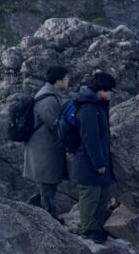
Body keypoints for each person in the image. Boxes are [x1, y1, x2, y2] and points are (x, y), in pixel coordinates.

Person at [72, 71, 116, 243]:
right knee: (90, 196)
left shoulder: (97, 106)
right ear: (101, 90)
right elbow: (90, 139)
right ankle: (89, 229)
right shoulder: (88, 109)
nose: (111, 93)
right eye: (109, 90)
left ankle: (96, 227)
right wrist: (98, 163)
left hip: (99, 159)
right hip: (88, 162)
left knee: (102, 194)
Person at [22, 66, 68, 217]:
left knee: (47, 184)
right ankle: (48, 215)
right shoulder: (48, 99)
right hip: (44, 149)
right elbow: (55, 124)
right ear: (58, 81)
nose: (68, 81)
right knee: (47, 184)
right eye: (66, 78)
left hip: (45, 148)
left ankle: (35, 211)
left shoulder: (50, 94)